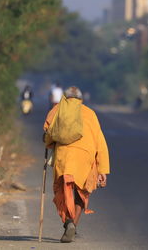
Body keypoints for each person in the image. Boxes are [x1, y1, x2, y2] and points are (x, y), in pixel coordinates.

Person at [43, 86, 110, 243]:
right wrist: (102, 170)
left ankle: (68, 222)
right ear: (81, 99)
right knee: (81, 192)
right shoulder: (90, 113)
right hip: (85, 156)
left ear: (64, 98)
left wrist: (47, 141)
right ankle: (72, 225)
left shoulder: (57, 109)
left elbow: (48, 131)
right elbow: (101, 143)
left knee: (62, 190)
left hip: (64, 156)